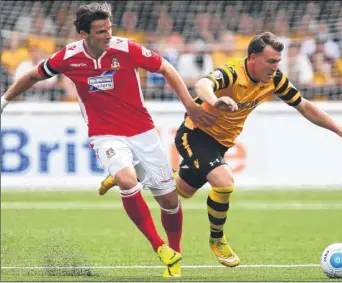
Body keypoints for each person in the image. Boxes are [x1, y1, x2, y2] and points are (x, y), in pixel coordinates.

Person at [96, 32, 342, 267]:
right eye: (270, 61)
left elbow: (304, 106)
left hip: (220, 144)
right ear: (253, 58)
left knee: (181, 191)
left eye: (277, 62)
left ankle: (133, 174)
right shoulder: (232, 72)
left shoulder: (274, 81)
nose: (275, 67)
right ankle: (218, 240)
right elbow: (202, 85)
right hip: (196, 134)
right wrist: (215, 100)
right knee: (224, 182)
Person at [0, 2, 221, 278]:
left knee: (170, 202)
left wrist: (189, 104)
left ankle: (174, 258)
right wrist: (4, 101)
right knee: (128, 180)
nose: (108, 35)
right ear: (84, 35)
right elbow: (33, 75)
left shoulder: (127, 49)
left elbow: (166, 68)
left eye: (109, 29)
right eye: (101, 31)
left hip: (143, 133)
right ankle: (159, 246)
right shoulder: (67, 57)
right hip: (105, 135)